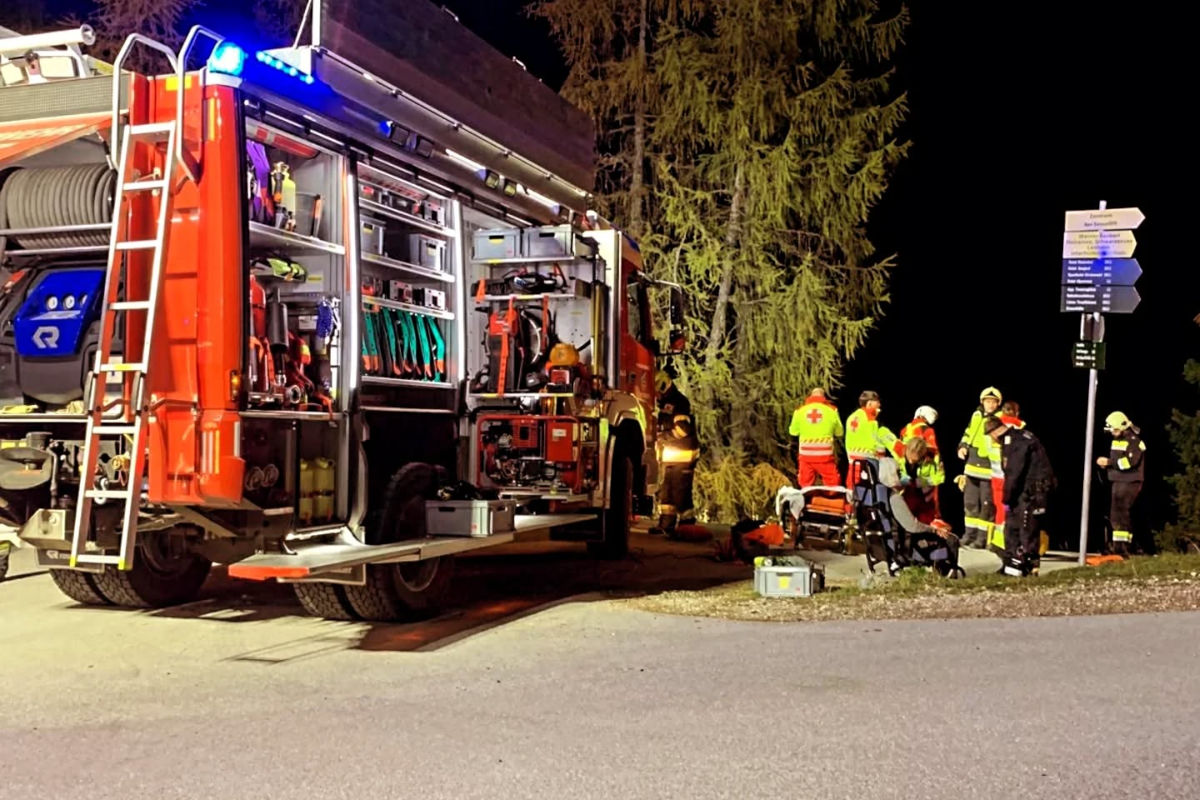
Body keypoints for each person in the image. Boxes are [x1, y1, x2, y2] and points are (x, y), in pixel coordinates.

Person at [986, 415, 1056, 577]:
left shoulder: (1015, 444)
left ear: (995, 433)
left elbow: (1013, 474)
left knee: (1027, 530)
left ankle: (1029, 567)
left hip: (1031, 493)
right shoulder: (1021, 437)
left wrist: (1006, 498)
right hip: (1029, 492)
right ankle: (1012, 564)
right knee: (1013, 529)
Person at [956, 387, 1002, 548]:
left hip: (989, 468)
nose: (990, 405)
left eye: (993, 402)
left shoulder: (1000, 419)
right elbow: (968, 432)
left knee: (987, 505)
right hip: (971, 465)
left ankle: (982, 538)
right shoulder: (976, 415)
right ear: (982, 402)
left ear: (998, 404)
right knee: (970, 503)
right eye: (987, 401)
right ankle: (969, 535)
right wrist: (962, 446)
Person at [1097, 411, 1146, 556]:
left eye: (1115, 430)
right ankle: (1120, 546)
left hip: (1130, 481)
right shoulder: (1117, 440)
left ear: (1123, 427)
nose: (1113, 433)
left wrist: (1109, 463)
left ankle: (1123, 547)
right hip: (1118, 481)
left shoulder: (1134, 441)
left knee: (1121, 513)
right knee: (1116, 514)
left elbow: (1129, 463)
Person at [844, 390, 904, 489]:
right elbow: (874, 442)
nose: (879, 405)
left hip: (854, 463)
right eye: (877, 402)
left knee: (853, 491)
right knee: (868, 494)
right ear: (869, 403)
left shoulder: (853, 417)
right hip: (867, 465)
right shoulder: (870, 420)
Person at [788, 388, 844, 488]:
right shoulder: (832, 411)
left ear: (810, 396)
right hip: (825, 456)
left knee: (805, 484)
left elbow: (793, 432)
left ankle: (806, 502)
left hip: (806, 456)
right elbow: (839, 432)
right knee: (833, 484)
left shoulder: (800, 411)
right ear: (823, 397)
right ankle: (830, 502)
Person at [900, 405, 944, 522]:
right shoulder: (928, 430)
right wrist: (938, 473)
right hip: (925, 474)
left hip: (906, 472)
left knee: (907, 506)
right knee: (926, 508)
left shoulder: (905, 430)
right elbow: (933, 451)